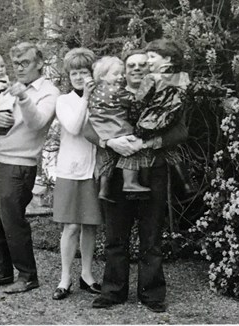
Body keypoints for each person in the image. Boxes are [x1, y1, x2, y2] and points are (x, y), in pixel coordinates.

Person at [85, 42, 189, 313]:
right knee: (115, 236)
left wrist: (145, 143)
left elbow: (180, 133)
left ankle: (152, 294)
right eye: (131, 65)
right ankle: (113, 291)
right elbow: (88, 129)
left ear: (150, 68)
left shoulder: (164, 93)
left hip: (153, 170)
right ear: (124, 70)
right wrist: (110, 143)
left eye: (143, 64)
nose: (137, 69)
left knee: (151, 235)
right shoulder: (110, 93)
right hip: (116, 173)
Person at [0, 42, 60, 293]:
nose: (19, 69)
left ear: (40, 63)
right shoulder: (4, 85)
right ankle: (2, 272)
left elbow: (37, 123)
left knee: (13, 223)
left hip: (17, 165)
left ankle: (28, 275)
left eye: (25, 63)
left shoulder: (48, 92)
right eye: (16, 64)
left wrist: (22, 96)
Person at [51, 47, 103, 300]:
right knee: (71, 226)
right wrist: (85, 100)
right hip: (71, 169)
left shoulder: (103, 98)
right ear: (68, 76)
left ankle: (87, 275)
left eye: (84, 71)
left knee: (90, 226)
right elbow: (73, 127)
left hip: (95, 170)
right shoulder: (64, 101)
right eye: (74, 73)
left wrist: (94, 99)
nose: (80, 77)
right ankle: (65, 279)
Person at [87, 56, 151, 201]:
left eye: (122, 74)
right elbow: (133, 101)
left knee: (106, 159)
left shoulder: (95, 92)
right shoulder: (116, 90)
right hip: (117, 128)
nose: (120, 77)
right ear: (102, 76)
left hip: (103, 130)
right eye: (116, 74)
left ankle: (103, 191)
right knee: (131, 151)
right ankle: (130, 183)